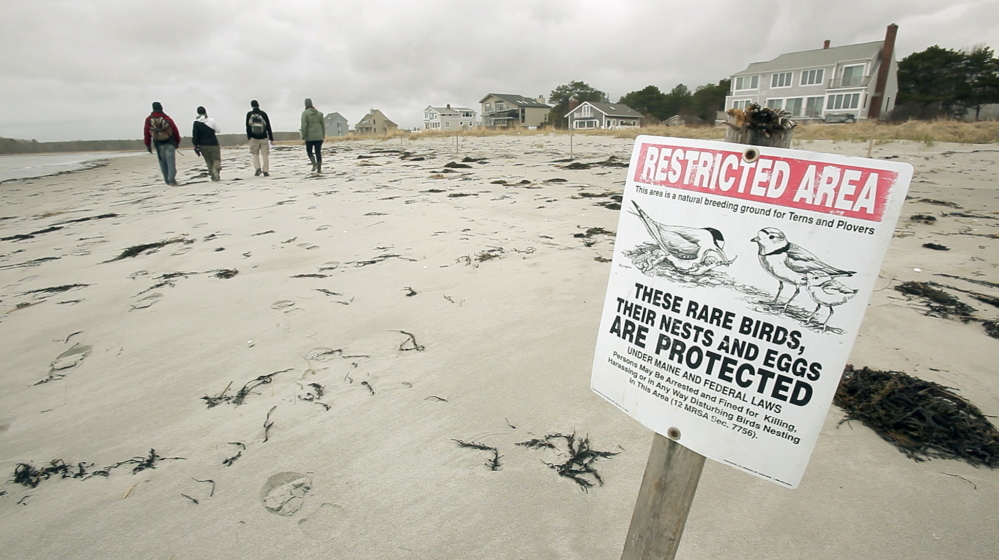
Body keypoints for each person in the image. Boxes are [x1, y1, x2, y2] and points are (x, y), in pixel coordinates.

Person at [143, 102, 181, 185]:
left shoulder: (149, 120)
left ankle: (167, 181)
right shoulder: (167, 119)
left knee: (163, 163)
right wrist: (177, 142)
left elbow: (146, 133)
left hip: (158, 144)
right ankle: (171, 179)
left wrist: (148, 145)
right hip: (170, 143)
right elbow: (175, 131)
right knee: (171, 162)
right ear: (161, 108)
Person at [192, 106, 222, 181]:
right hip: (213, 143)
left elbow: (195, 136)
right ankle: (215, 170)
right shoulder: (211, 121)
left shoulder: (196, 123)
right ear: (205, 111)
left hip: (203, 145)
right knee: (216, 159)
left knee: (208, 161)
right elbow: (218, 130)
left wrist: (196, 145)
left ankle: (213, 176)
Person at [246, 100, 273, 176]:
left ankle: (257, 168)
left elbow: (247, 126)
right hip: (264, 137)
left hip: (253, 138)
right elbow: (268, 126)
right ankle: (265, 170)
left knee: (255, 154)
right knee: (265, 155)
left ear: (251, 105)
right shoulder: (263, 114)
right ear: (258, 105)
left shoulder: (249, 114)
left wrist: (249, 137)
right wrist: (271, 137)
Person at [300, 98, 325, 174]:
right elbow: (323, 125)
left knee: (309, 151)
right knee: (318, 152)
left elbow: (304, 125)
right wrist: (323, 135)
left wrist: (303, 135)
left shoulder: (305, 113)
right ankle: (319, 168)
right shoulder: (319, 114)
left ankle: (314, 164)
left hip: (309, 136)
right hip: (319, 136)